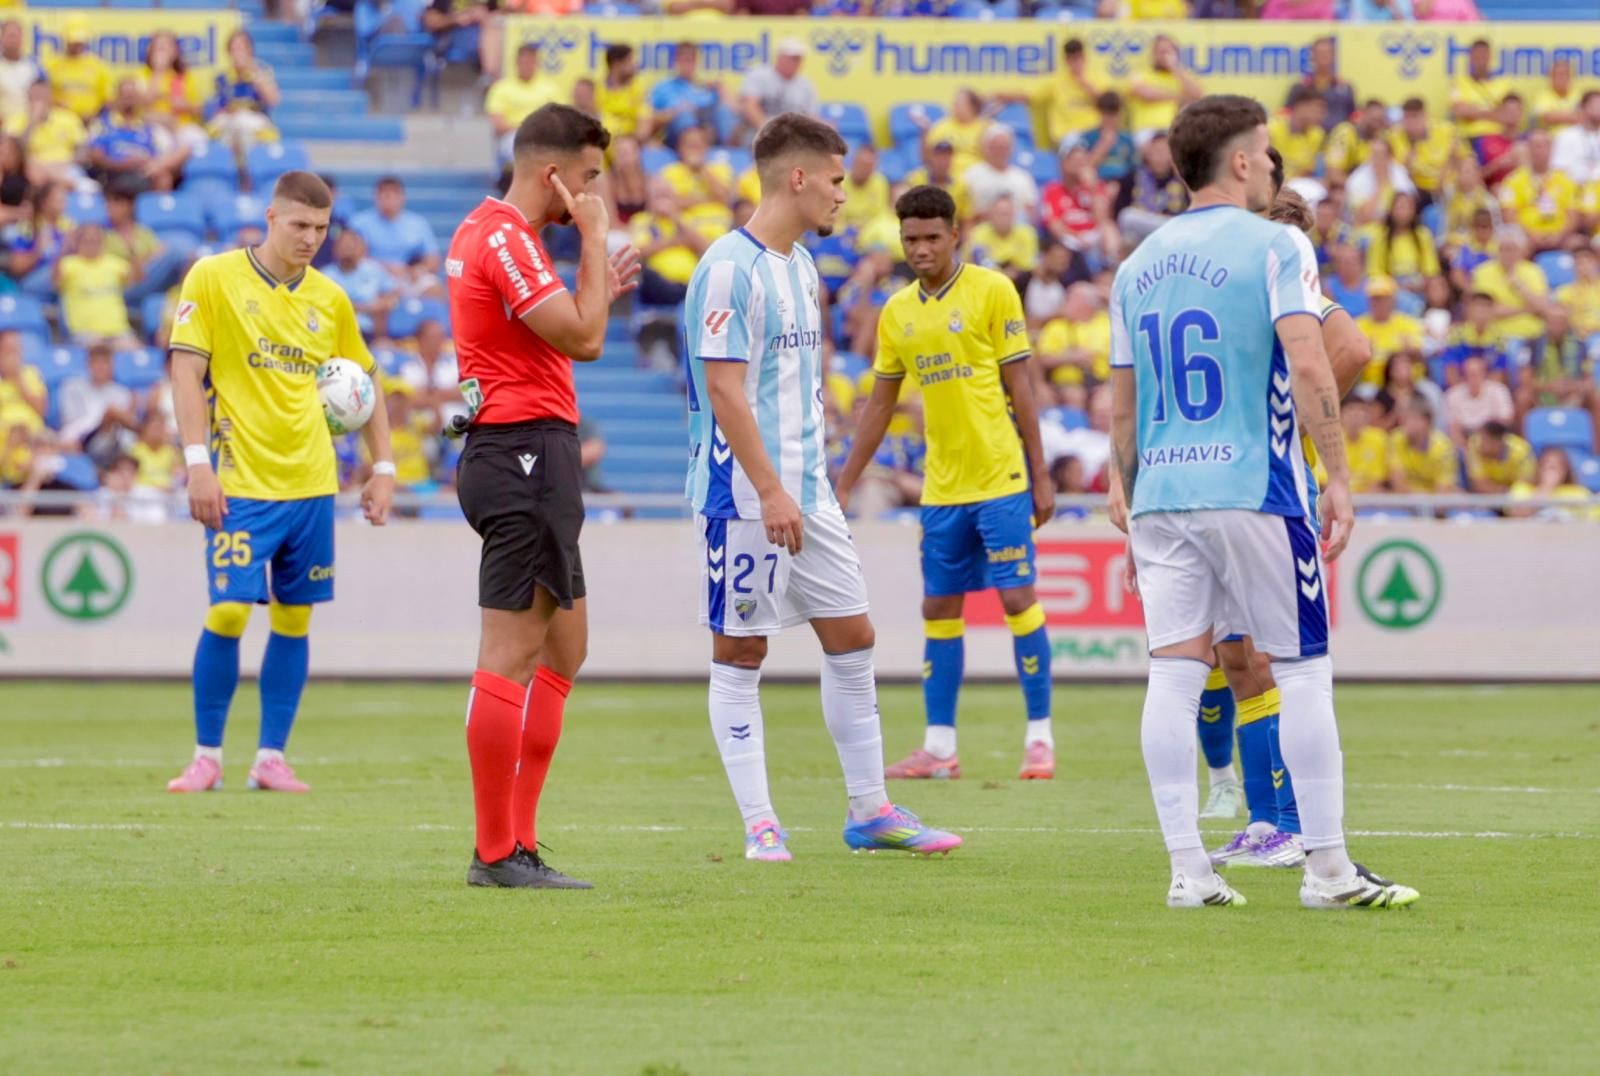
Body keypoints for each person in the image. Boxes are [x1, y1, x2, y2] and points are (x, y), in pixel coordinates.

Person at [1109, 94, 1418, 910]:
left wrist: (1123, 485)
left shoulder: (1137, 265)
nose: (1272, 162)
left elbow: (1124, 397)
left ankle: (1188, 872)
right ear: (1242, 161)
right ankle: (1327, 871)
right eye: (1268, 150)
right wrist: (1339, 473)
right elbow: (1316, 363)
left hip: (1162, 493)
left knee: (1173, 676)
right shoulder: (1276, 242)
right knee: (1305, 669)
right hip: (1252, 484)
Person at [681, 113, 961, 862]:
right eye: (838, 180)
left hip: (810, 490)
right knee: (741, 651)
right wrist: (771, 489)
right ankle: (760, 822)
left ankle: (870, 811)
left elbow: (789, 381)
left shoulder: (802, 266)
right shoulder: (728, 268)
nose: (846, 195)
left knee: (853, 637)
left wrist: (816, 478)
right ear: (797, 178)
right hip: (746, 497)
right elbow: (726, 390)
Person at [447, 103, 640, 889]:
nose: (591, 196)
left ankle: (518, 842)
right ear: (551, 171)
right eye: (588, 179)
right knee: (512, 654)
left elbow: (574, 327)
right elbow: (586, 340)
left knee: (566, 647)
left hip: (524, 448)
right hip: (524, 450)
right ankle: (496, 853)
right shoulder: (507, 239)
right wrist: (595, 243)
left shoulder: (490, 235)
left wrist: (594, 278)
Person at [164, 171, 396, 796]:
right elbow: (186, 374)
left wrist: (384, 469)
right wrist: (197, 462)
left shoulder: (330, 300)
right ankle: (206, 754)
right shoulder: (213, 277)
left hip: (313, 485)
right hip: (239, 481)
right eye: (299, 225)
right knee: (231, 608)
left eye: (321, 228)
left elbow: (366, 386)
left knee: (294, 621)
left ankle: (270, 757)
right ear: (270, 217)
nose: (310, 239)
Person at [835, 184, 1054, 781]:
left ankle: (1040, 738)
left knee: (1017, 599)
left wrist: (1040, 475)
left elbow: (1022, 389)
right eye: (911, 239)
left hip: (1000, 475)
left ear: (955, 234)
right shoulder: (898, 311)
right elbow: (879, 407)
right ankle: (939, 748)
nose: (921, 248)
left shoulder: (993, 290)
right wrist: (846, 481)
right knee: (938, 605)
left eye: (932, 237)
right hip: (941, 487)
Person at [89, 77, 190, 192]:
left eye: (132, 96)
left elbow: (161, 154)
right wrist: (123, 164)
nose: (129, 100)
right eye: (125, 95)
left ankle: (160, 208)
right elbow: (96, 157)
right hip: (114, 174)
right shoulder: (103, 124)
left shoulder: (149, 128)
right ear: (117, 98)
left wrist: (148, 164)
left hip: (144, 173)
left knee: (164, 176)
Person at [54, 223, 139, 348]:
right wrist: (64, 249)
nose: (92, 245)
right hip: (86, 335)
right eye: (88, 241)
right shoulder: (69, 264)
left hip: (118, 333)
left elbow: (137, 279)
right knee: (98, 353)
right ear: (79, 242)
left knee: (138, 355)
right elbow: (55, 281)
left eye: (96, 241)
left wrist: (132, 251)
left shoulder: (113, 263)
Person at [1499, 129, 1579, 255]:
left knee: (1579, 246)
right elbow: (1509, 216)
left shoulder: (1565, 180)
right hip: (1527, 236)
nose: (1538, 151)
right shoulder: (1513, 181)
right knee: (1515, 247)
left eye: (1542, 146)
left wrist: (1559, 235)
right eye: (1534, 146)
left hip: (1560, 235)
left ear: (1551, 149)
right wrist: (1531, 234)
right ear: (1528, 150)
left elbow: (1573, 216)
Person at [59, 343, 138, 467]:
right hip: (81, 440)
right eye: (96, 363)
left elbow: (123, 434)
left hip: (111, 443)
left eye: (105, 363)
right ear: (88, 364)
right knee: (112, 412)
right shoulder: (72, 387)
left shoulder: (122, 393)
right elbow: (70, 421)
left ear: (112, 366)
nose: (100, 367)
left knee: (114, 415)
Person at [350, 177, 441, 277]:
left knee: (433, 287)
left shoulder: (418, 223)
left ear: (402, 197)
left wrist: (416, 270)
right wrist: (386, 268)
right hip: (371, 275)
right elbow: (351, 256)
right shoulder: (359, 222)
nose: (388, 200)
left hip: (409, 275)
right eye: (384, 195)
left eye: (393, 195)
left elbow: (433, 258)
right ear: (375, 197)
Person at [485, 42, 562, 161]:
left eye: (531, 62)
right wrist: (526, 128)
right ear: (517, 62)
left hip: (544, 136)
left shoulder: (551, 88)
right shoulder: (501, 88)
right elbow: (498, 124)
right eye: (524, 62)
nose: (527, 65)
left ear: (537, 63)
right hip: (514, 136)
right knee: (518, 148)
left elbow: (560, 121)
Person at [5, 79, 88, 186]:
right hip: (31, 170)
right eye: (35, 97)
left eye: (43, 97)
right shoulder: (16, 120)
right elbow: (14, 153)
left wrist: (69, 163)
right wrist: (32, 123)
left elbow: (82, 148)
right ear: (28, 97)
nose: (39, 101)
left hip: (65, 167)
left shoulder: (68, 118)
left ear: (51, 98)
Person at [209, 29, 280, 152]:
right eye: (235, 49)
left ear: (250, 51)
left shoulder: (262, 72)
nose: (238, 53)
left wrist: (256, 76)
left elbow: (273, 100)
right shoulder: (222, 78)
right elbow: (218, 108)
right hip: (229, 122)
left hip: (255, 120)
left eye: (242, 49)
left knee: (243, 126)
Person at [320, 228, 399, 338]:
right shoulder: (326, 275)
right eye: (343, 245)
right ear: (335, 249)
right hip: (336, 331)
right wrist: (368, 307)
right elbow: (327, 306)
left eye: (351, 245)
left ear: (361, 248)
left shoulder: (374, 270)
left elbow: (392, 295)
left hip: (368, 331)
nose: (348, 249)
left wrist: (384, 304)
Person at [738, 40, 817, 143]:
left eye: (797, 59)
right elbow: (750, 107)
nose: (794, 62)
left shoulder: (806, 84)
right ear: (780, 57)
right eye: (790, 58)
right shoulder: (759, 75)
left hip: (794, 133)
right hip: (759, 130)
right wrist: (769, 129)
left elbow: (811, 115)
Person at [1118, 133, 1188, 246]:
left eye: (1164, 151)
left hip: (1173, 228)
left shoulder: (1183, 179)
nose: (1160, 156)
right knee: (1127, 218)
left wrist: (1181, 175)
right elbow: (1120, 211)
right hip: (1142, 229)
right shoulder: (1132, 177)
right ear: (1148, 153)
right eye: (1156, 151)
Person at [1127, 35, 1202, 139]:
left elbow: (1198, 95)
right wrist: (1180, 97)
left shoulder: (1182, 76)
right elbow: (1145, 94)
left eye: (1168, 52)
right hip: (1146, 131)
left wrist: (1175, 68)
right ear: (1153, 54)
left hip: (1173, 131)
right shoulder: (1141, 73)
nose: (1164, 56)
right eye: (1161, 52)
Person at [44, 15, 114, 123]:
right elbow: (43, 95)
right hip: (59, 122)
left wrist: (94, 115)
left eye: (80, 41)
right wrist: (57, 106)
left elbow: (108, 100)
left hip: (91, 122)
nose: (77, 44)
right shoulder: (51, 65)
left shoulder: (98, 66)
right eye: (73, 41)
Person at [649, 42, 720, 150]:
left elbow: (731, 110)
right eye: (683, 60)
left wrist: (722, 88)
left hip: (707, 134)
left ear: (696, 62)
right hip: (675, 134)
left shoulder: (706, 88)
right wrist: (672, 113)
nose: (687, 65)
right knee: (684, 115)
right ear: (676, 62)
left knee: (721, 114)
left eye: (690, 60)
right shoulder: (663, 87)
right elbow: (649, 117)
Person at [964, 195, 1038, 285]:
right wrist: (1005, 272)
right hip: (986, 282)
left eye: (1006, 214)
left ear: (1014, 214)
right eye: (999, 213)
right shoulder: (979, 233)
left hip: (1019, 283)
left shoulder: (1027, 233)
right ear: (990, 215)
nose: (1003, 218)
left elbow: (1027, 266)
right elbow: (974, 262)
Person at [1443, 353, 1514, 443]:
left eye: (1475, 374)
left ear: (1484, 374)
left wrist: (1486, 431)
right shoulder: (1453, 394)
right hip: (1465, 436)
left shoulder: (1499, 390)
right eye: (1468, 375)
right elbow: (1452, 425)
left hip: (1492, 435)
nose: (1472, 379)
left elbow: (1506, 418)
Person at [1290, 35, 1355, 132]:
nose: (1324, 57)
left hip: (1338, 140)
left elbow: (1353, 115)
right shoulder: (1301, 87)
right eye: (1320, 53)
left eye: (1327, 53)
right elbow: (1288, 114)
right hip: (1309, 139)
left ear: (1333, 57)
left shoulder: (1345, 88)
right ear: (1312, 56)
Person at [1451, 39, 1508, 146]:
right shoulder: (1459, 83)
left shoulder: (1503, 85)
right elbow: (1460, 111)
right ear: (1471, 58)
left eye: (1484, 56)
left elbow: (1506, 115)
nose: (1481, 60)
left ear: (1490, 57)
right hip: (1468, 137)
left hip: (1496, 137)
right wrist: (1492, 111)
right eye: (1477, 56)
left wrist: (1474, 110)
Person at [1267, 84, 1326, 181]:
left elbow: (1307, 171)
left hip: (1295, 188)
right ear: (1300, 106)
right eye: (1318, 110)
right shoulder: (1272, 129)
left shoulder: (1317, 135)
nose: (1321, 116)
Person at [596, 44, 651, 143]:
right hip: (603, 142)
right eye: (630, 61)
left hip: (632, 144)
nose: (635, 65)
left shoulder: (638, 88)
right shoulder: (597, 89)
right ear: (616, 64)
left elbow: (644, 125)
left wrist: (629, 143)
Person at [1464, 420, 1533, 495]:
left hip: (1514, 499)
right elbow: (1479, 484)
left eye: (1485, 441)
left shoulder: (1521, 451)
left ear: (1497, 442)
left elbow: (1526, 483)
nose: (1481, 445)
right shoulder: (1474, 444)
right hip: (1486, 497)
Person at [1550, 90, 1600, 188]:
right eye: (1595, 104)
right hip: (1573, 194)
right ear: (1582, 108)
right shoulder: (1566, 136)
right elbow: (1559, 171)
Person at [0, 20, 43, 120]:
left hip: (26, 125)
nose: (14, 40)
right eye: (10, 36)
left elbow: (42, 97)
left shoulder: (34, 67)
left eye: (17, 36)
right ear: (1, 38)